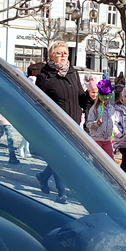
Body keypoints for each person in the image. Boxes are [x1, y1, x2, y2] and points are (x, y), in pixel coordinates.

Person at [34, 41, 90, 204]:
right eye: (59, 53)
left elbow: (80, 97)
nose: (63, 56)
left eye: (65, 53)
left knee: (65, 157)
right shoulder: (44, 77)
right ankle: (61, 192)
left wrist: (91, 97)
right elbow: (38, 102)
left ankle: (43, 176)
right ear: (51, 56)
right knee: (62, 158)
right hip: (55, 125)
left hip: (73, 123)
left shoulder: (73, 73)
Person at [85, 78, 118, 160]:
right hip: (97, 139)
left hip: (107, 140)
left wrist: (118, 133)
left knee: (110, 160)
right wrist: (96, 124)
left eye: (106, 96)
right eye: (102, 96)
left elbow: (114, 122)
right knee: (96, 159)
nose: (104, 98)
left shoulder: (111, 109)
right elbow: (88, 123)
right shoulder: (94, 109)